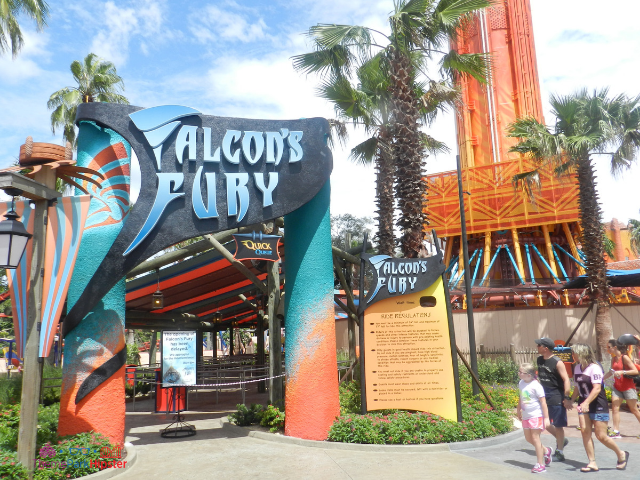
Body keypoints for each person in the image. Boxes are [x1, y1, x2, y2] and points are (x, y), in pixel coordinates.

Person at [570, 343, 629, 472]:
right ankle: (592, 462)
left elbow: (597, 388)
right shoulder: (577, 368)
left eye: (574, 352)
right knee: (585, 432)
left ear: (581, 353)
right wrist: (572, 400)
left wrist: (586, 402)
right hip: (583, 404)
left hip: (597, 404)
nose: (572, 355)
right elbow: (577, 387)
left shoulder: (594, 368)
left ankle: (621, 454)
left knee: (601, 435)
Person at [535, 337, 572, 460]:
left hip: (556, 394)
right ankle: (561, 440)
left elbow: (566, 379)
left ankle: (560, 452)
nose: (537, 347)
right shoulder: (539, 360)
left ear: (545, 348)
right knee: (544, 422)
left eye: (539, 345)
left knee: (558, 424)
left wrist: (566, 397)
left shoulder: (557, 362)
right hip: (544, 395)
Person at [517, 363, 552, 473]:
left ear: (528, 375)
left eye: (521, 372)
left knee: (535, 438)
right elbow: (521, 397)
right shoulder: (521, 383)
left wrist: (546, 418)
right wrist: (518, 410)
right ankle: (546, 450)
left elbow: (543, 402)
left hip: (536, 415)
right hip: (526, 416)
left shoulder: (536, 386)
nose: (518, 373)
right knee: (529, 439)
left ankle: (540, 464)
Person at [603, 340, 640, 438]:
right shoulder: (613, 359)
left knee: (634, 410)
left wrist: (622, 372)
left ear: (615, 347)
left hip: (628, 387)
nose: (608, 349)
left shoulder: (625, 358)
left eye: (609, 347)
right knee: (615, 408)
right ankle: (616, 431)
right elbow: (611, 372)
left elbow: (635, 371)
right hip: (617, 387)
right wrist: (601, 379)